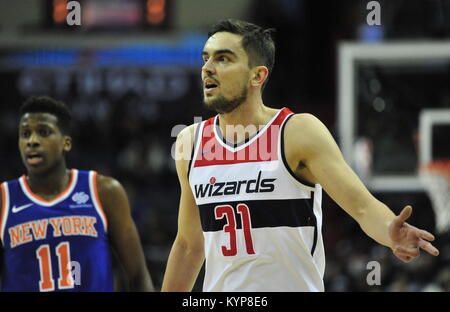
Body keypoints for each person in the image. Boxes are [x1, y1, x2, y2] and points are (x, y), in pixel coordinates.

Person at [161, 19, 440, 292]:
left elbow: (362, 207)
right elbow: (188, 245)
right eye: (206, 58)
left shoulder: (296, 132)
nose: (207, 68)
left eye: (223, 59)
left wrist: (390, 230)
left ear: (257, 75)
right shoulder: (192, 141)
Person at [0, 96, 154, 292]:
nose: (32, 141)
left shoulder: (103, 191)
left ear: (66, 143)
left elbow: (138, 276)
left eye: (43, 132)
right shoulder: (4, 200)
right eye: (25, 134)